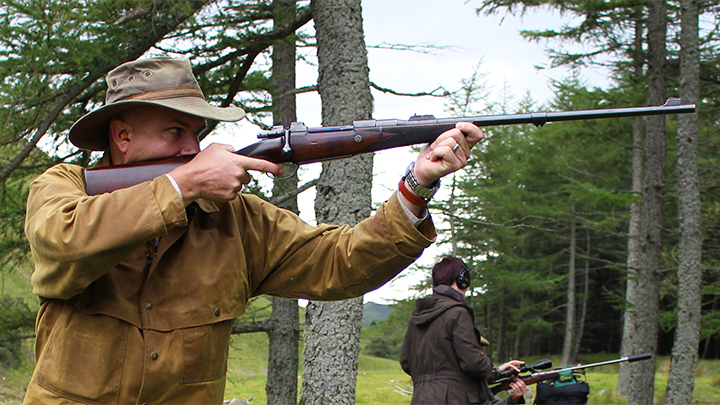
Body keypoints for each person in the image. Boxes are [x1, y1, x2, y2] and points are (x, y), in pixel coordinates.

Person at [22, 57, 483, 404]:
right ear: (121, 137)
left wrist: (417, 185)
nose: (193, 148)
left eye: (197, 134)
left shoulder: (237, 218)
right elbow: (64, 241)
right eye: (175, 131)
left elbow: (340, 262)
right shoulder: (68, 187)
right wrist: (183, 184)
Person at [400, 256, 527, 404]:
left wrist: (496, 373)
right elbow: (473, 362)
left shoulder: (417, 316)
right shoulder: (457, 312)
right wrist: (490, 369)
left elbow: (406, 362)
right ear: (463, 278)